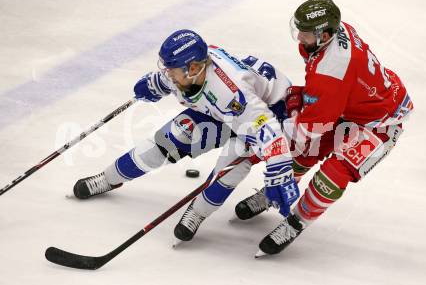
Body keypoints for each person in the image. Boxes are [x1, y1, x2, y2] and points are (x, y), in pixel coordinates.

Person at [72, 29, 301, 244]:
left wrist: (279, 171)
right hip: (220, 111)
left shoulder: (231, 92)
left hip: (265, 115)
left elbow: (268, 131)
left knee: (227, 170)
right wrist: (155, 84)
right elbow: (170, 78)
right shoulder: (191, 71)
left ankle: (197, 212)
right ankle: (108, 178)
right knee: (165, 143)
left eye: (171, 69)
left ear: (193, 68)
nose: (167, 73)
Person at [234, 0, 414, 257]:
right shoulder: (333, 36)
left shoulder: (332, 69)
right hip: (347, 105)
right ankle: (276, 192)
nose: (299, 39)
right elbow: (326, 102)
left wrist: (271, 137)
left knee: (332, 175)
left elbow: (313, 126)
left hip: (380, 122)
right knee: (302, 152)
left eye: (305, 34)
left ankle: (297, 222)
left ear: (325, 34)